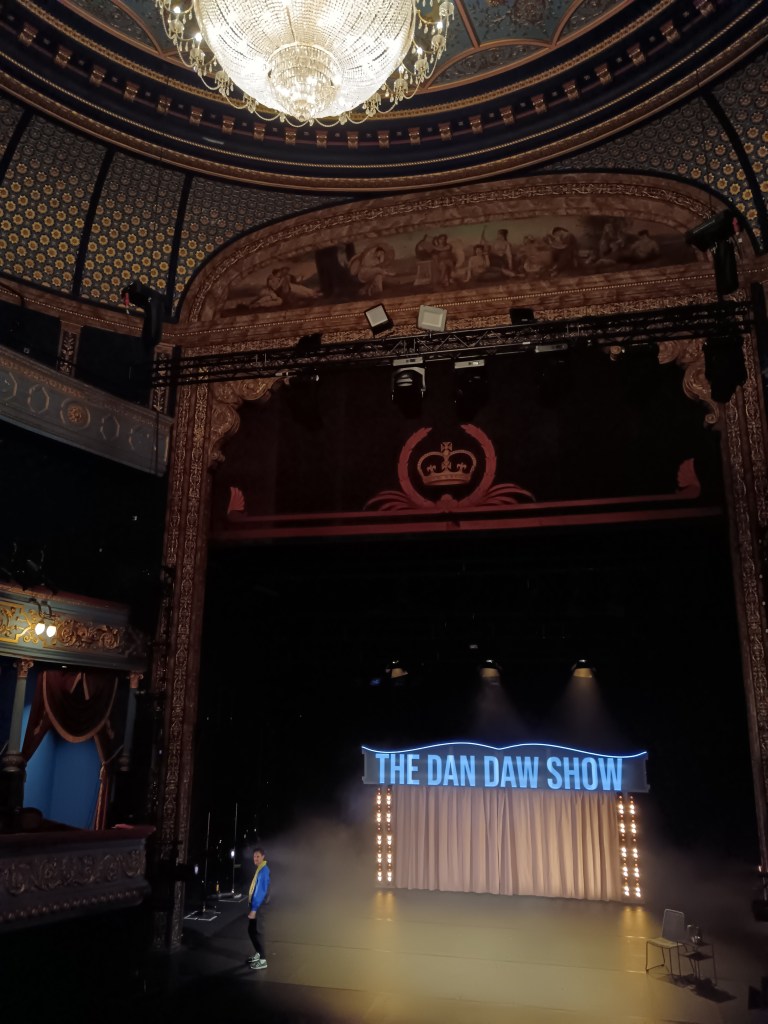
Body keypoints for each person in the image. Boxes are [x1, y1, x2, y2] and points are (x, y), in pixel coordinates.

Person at [246, 846, 271, 970]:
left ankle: (263, 960)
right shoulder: (260, 869)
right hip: (257, 905)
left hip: (260, 906)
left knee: (258, 932)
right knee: (251, 931)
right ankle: (259, 953)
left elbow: (260, 892)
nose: (255, 858)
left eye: (258, 856)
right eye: (254, 856)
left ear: (263, 857)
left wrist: (254, 909)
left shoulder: (264, 871)